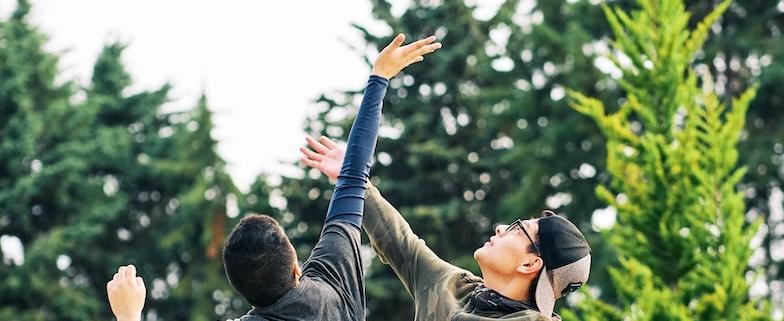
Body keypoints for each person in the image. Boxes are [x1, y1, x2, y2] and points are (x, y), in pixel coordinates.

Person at [106, 33, 442, 321]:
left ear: (243, 294)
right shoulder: (334, 282)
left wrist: (129, 315)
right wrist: (378, 77)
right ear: (296, 267)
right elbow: (355, 174)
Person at [300, 136, 592, 321]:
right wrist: (355, 179)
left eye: (519, 229)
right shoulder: (452, 286)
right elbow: (400, 243)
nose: (502, 227)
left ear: (531, 263)